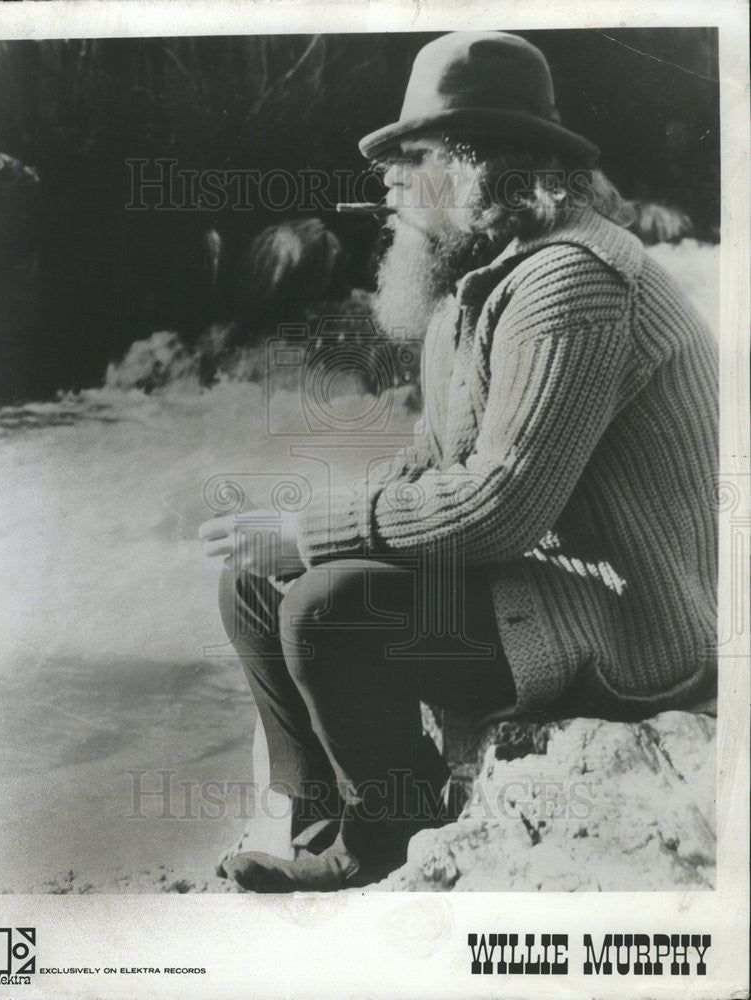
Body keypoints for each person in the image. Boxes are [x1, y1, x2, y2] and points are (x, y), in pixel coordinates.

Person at [200, 31, 718, 892]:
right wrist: (292, 530)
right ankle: (317, 820)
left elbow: (498, 506)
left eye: (417, 155)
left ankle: (390, 836)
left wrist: (311, 537)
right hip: (546, 576)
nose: (389, 179)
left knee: (330, 607)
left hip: (633, 623)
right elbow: (431, 460)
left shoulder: (572, 282)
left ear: (485, 164)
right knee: (251, 585)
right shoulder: (482, 281)